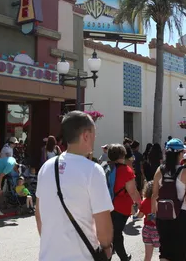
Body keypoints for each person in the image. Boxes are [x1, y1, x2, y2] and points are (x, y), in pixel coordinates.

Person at [35, 111, 113, 261]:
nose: (95, 139)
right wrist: (107, 248)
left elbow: (39, 215)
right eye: (94, 134)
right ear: (85, 135)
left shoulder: (46, 167)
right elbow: (103, 229)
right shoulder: (93, 171)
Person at [151, 139, 186, 261]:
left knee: (164, 250)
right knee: (181, 251)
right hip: (182, 216)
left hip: (163, 215)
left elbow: (154, 195)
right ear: (180, 154)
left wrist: (153, 215)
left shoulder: (159, 170)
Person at [107, 144, 142, 261]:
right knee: (116, 234)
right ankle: (122, 258)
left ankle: (117, 256)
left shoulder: (105, 168)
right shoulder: (126, 170)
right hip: (121, 208)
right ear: (123, 155)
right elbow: (133, 192)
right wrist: (141, 204)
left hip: (107, 205)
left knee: (113, 233)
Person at [134, 181, 159, 261]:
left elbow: (139, 216)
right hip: (158, 229)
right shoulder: (159, 201)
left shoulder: (145, 202)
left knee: (147, 256)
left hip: (147, 230)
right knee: (164, 254)